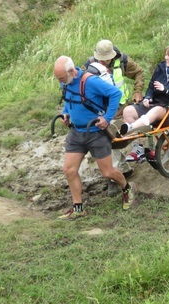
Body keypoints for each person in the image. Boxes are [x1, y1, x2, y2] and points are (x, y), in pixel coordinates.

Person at [54, 56, 135, 219]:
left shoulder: (90, 82)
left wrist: (107, 118)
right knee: (69, 170)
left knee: (108, 172)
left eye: (62, 78)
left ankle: (127, 188)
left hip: (96, 133)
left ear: (71, 71)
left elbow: (115, 93)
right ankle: (78, 208)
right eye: (59, 79)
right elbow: (68, 99)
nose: (61, 82)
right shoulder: (65, 81)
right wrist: (66, 113)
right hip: (76, 133)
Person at [83, 39, 145, 195]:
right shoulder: (89, 67)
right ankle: (123, 170)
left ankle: (113, 179)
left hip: (120, 109)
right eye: (101, 59)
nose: (104, 61)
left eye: (107, 58)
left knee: (109, 141)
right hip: (101, 111)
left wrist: (138, 90)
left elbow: (139, 72)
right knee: (106, 141)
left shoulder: (122, 60)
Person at [120, 44, 169, 160]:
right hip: (155, 103)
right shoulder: (161, 68)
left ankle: (131, 127)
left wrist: (166, 90)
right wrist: (148, 97)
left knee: (156, 110)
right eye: (166, 55)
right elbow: (151, 86)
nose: (166, 58)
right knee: (128, 111)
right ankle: (139, 148)